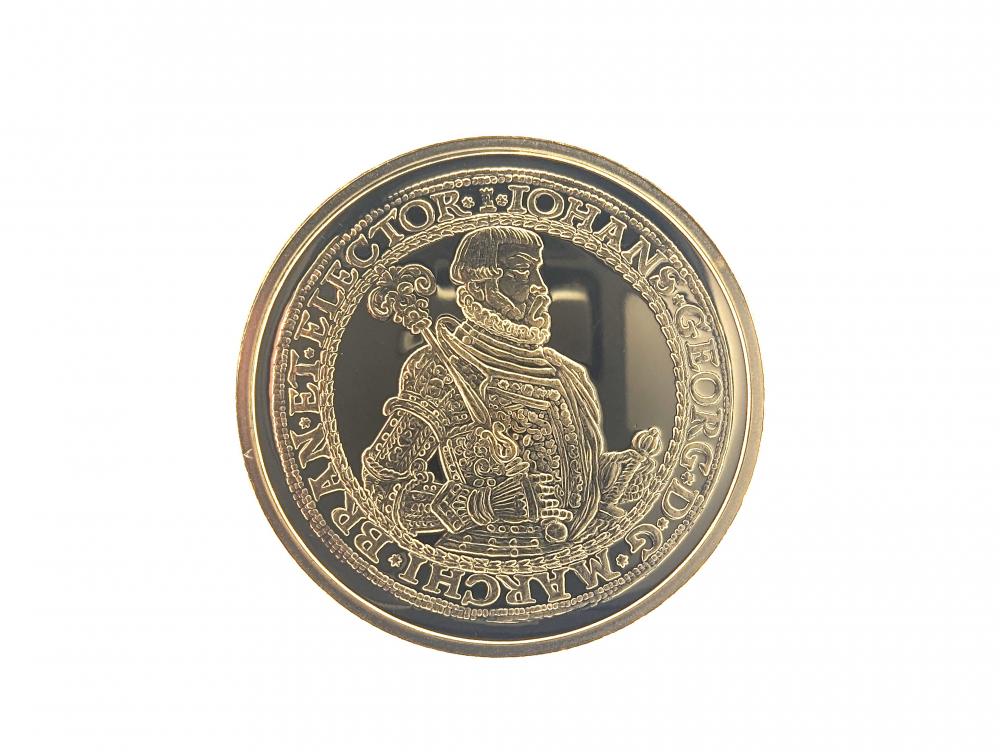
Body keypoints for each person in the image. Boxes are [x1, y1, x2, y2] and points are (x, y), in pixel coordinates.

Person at [361, 226, 660, 557]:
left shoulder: (568, 374)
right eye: (520, 271)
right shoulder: (442, 369)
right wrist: (483, 505)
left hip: (573, 558)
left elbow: (571, 481)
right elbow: (382, 490)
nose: (540, 288)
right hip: (478, 564)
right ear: (482, 283)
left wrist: (611, 476)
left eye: (537, 271)